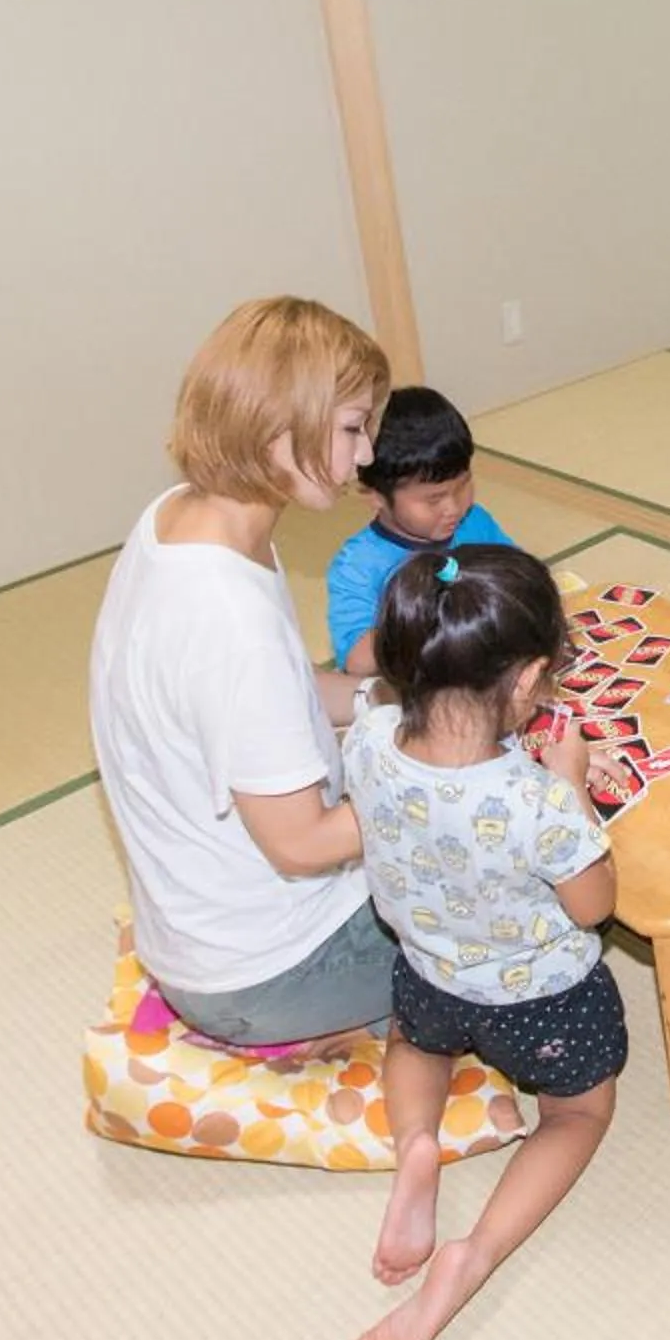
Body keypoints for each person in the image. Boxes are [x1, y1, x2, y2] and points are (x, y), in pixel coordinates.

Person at [346, 546, 625, 1340]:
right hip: (543, 1004)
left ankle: (417, 1148)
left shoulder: (367, 740)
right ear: (529, 677)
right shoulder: (535, 802)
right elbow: (594, 905)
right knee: (578, 1116)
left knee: (414, 1044)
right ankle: (475, 1252)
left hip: (429, 976)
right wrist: (570, 784)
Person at [87, 296, 393, 1049]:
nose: (365, 456)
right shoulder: (227, 617)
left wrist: (384, 696)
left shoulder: (186, 519)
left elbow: (281, 694)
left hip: (204, 933)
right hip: (270, 969)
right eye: (352, 428)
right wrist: (447, 778)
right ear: (275, 428)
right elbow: (303, 844)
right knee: (516, 903)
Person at [328, 386, 517, 674]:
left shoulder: (475, 522)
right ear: (375, 496)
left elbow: (518, 579)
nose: (454, 507)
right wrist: (433, 615)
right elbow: (357, 661)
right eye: (434, 499)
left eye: (463, 485)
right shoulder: (359, 564)